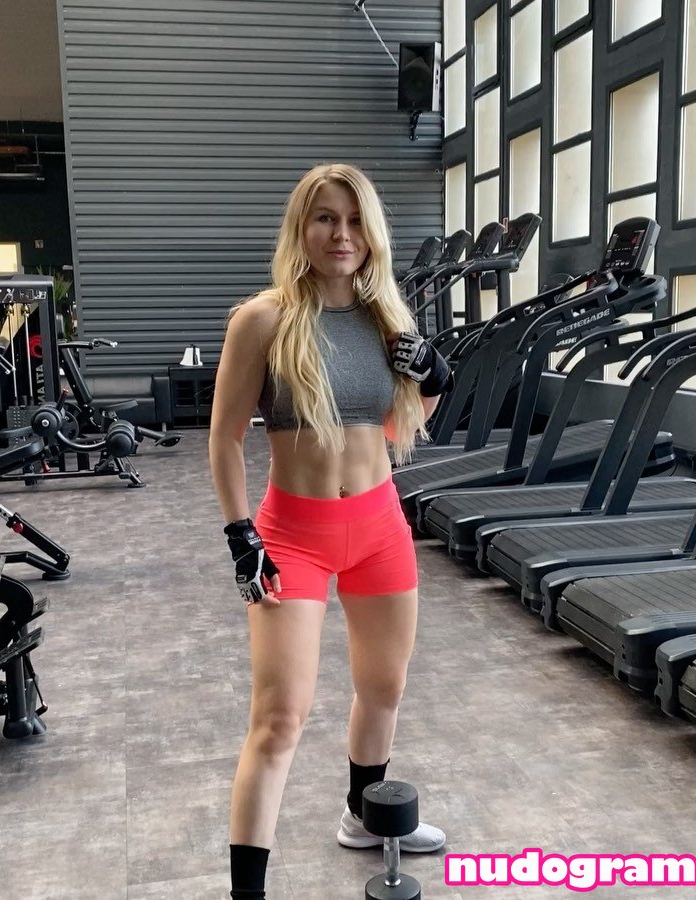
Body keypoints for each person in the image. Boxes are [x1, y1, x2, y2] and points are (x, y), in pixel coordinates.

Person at [209, 162, 453, 900]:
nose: (340, 234)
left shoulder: (389, 321)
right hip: (293, 536)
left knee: (384, 687)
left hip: (379, 526)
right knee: (279, 717)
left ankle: (363, 817)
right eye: (325, 218)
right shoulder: (264, 319)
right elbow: (224, 438)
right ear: (301, 228)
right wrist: (240, 535)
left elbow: (402, 425)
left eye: (353, 220)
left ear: (370, 232)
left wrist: (435, 378)